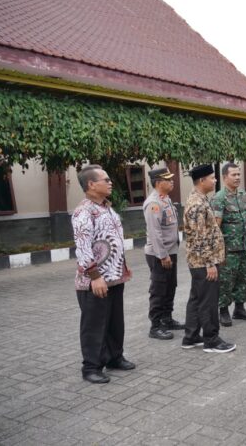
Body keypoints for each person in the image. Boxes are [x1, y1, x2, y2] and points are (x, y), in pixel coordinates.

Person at [72, 165, 134, 384]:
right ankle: (91, 367)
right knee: (94, 325)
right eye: (105, 180)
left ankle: (114, 357)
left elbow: (112, 240)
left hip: (114, 277)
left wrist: (122, 268)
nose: (110, 183)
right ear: (91, 184)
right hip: (94, 280)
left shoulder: (107, 207)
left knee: (115, 323)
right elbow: (83, 247)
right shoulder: (83, 212)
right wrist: (95, 276)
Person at [181, 164, 235, 353]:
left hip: (200, 261)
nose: (215, 181)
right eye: (212, 178)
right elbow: (199, 237)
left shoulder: (201, 199)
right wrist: (210, 263)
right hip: (203, 262)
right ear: (202, 180)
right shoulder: (196, 204)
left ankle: (191, 336)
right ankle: (211, 340)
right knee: (208, 302)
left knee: (197, 299)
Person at [210, 162, 246, 327]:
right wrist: (217, 251)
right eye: (234, 175)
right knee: (226, 280)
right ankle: (223, 311)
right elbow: (215, 226)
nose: (237, 177)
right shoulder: (219, 198)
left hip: (243, 246)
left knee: (244, 277)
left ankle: (239, 308)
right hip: (228, 249)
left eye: (239, 174)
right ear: (224, 177)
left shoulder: (243, 194)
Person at [143, 167, 182, 341]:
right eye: (168, 180)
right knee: (159, 289)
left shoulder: (165, 199)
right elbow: (155, 232)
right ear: (159, 183)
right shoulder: (154, 203)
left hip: (170, 251)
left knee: (170, 286)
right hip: (159, 254)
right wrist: (163, 255)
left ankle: (167, 318)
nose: (172, 182)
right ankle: (156, 326)